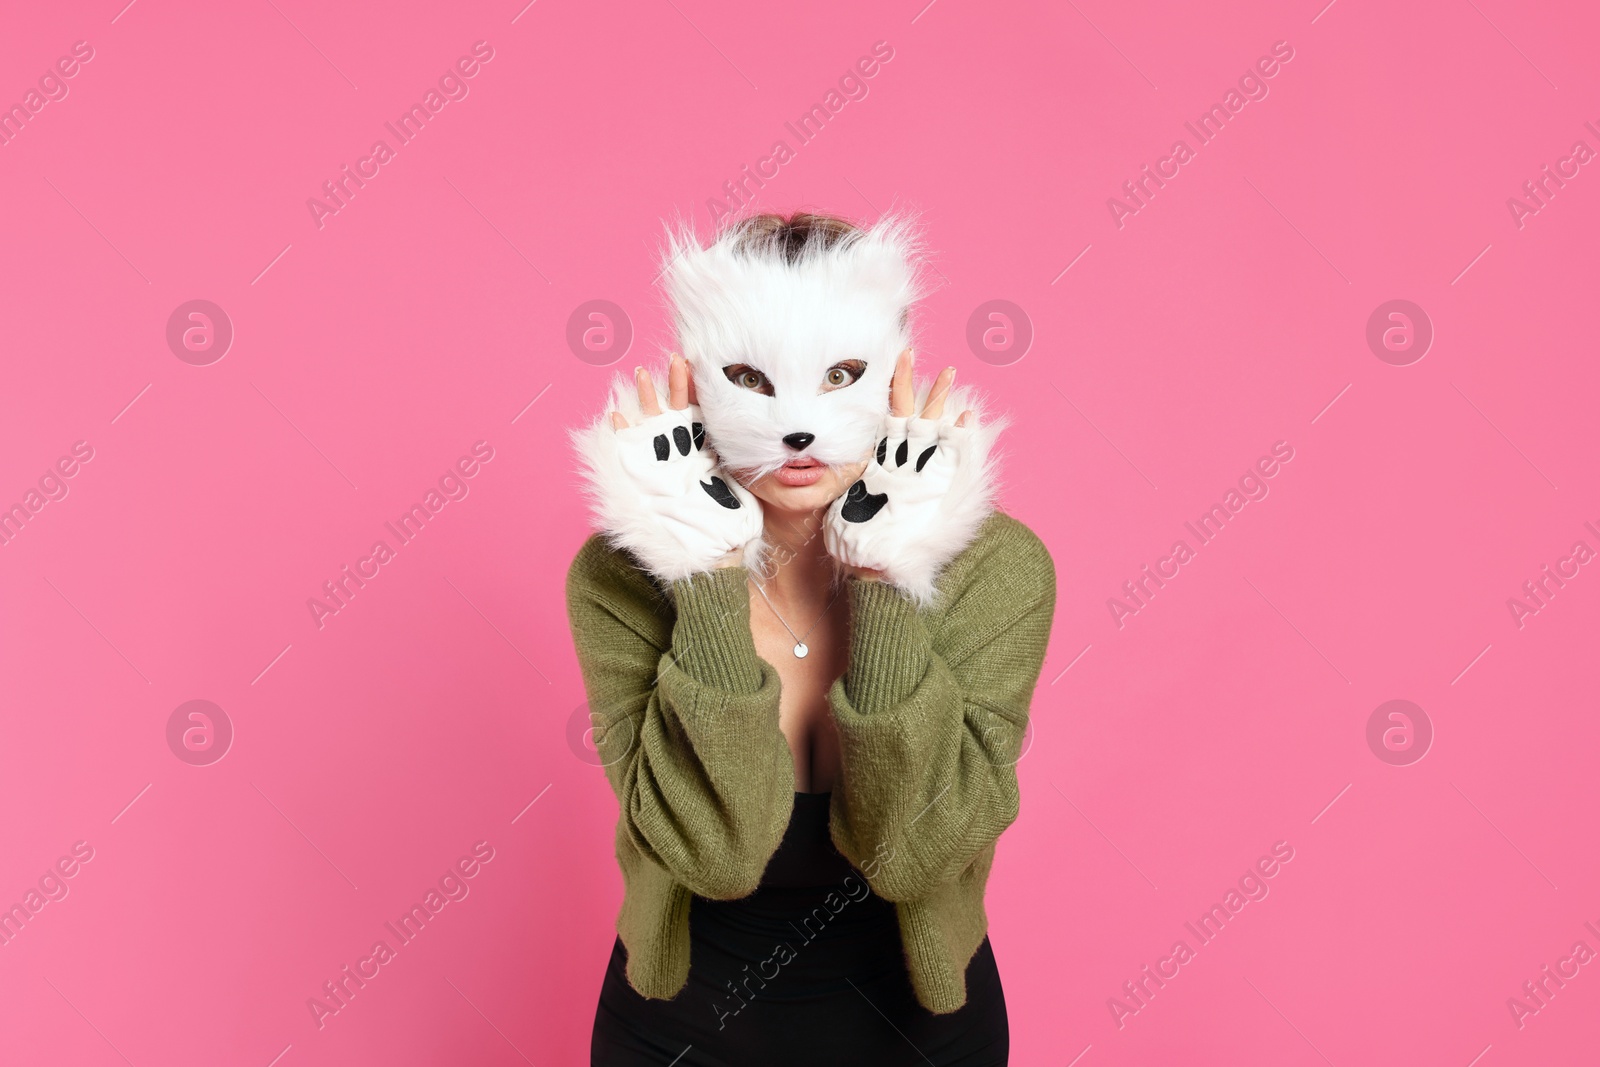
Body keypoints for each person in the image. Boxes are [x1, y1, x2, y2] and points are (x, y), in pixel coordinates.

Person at [566, 212, 1055, 1066]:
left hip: (919, 1033)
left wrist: (892, 575)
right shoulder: (620, 578)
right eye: (751, 377)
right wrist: (705, 571)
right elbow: (710, 853)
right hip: (677, 1031)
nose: (798, 427)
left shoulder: (999, 570)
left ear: (897, 375)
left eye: (842, 375)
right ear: (691, 382)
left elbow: (914, 851)